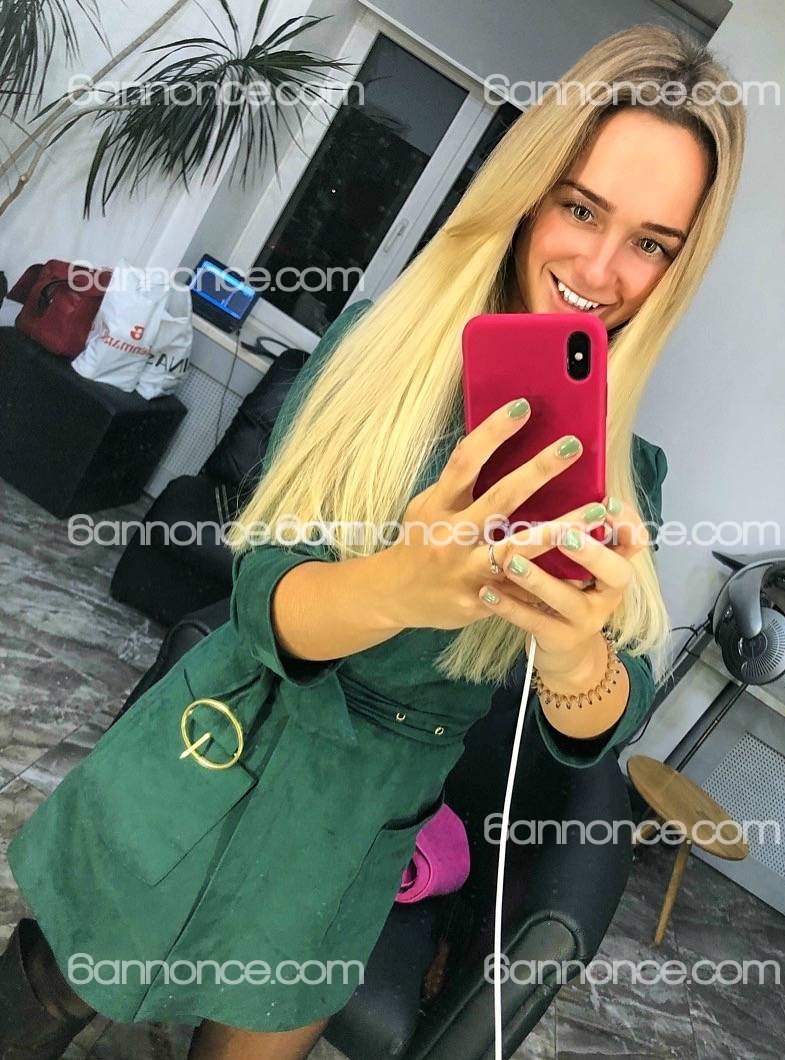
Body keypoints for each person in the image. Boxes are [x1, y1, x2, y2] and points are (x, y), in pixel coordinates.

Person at [1, 23, 745, 1060]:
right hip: (217, 735)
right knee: (42, 998)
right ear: (529, 193)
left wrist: (575, 654)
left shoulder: (628, 478)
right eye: (580, 207)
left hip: (354, 825)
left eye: (652, 243)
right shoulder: (372, 352)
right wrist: (400, 585)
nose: (600, 266)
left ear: (676, 268)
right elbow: (262, 596)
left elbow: (596, 727)